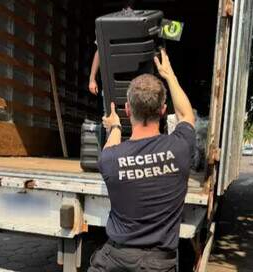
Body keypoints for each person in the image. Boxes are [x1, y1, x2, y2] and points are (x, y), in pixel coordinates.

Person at [88, 49, 195, 272]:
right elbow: (186, 116)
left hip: (114, 260)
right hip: (159, 263)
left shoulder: (110, 159)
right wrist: (169, 75)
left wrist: (115, 126)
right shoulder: (180, 147)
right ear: (164, 111)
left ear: (128, 110)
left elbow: (111, 144)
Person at [89, 0, 135, 96]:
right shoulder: (110, 22)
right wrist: (92, 79)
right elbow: (99, 51)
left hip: (138, 78)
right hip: (115, 78)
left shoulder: (146, 18)